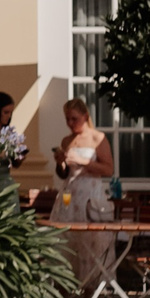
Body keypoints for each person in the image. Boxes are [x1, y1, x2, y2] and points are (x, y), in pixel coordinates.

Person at [53, 96, 119, 283]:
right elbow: (63, 174)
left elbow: (108, 169)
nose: (70, 123)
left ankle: (91, 297)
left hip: (90, 193)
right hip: (69, 194)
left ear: (85, 115)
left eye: (74, 118)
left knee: (91, 243)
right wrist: (61, 164)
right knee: (66, 241)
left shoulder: (98, 138)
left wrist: (84, 162)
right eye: (67, 119)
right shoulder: (67, 140)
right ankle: (64, 292)